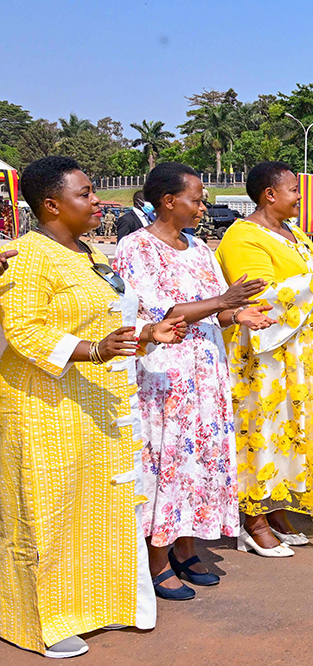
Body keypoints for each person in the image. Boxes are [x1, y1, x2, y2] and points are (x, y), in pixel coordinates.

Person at [0, 156, 186, 658]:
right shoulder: (27, 257)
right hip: (43, 408)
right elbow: (23, 331)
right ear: (51, 204)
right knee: (44, 515)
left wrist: (146, 335)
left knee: (95, 511)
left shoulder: (91, 258)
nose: (98, 201)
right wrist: (94, 351)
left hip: (96, 406)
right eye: (85, 193)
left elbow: (107, 329)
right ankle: (39, 621)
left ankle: (98, 605)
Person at [113, 163, 276, 601]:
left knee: (199, 460)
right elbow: (153, 313)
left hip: (206, 369)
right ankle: (157, 556)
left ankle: (187, 544)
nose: (203, 206)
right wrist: (222, 302)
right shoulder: (137, 248)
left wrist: (238, 313)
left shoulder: (201, 250)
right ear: (169, 202)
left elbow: (215, 310)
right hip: (165, 374)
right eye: (197, 199)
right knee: (167, 460)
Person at [215, 162, 313, 549]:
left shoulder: (293, 234)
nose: (303, 197)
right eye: (296, 190)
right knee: (263, 433)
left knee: (294, 432)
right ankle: (254, 517)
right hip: (267, 357)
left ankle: (277, 507)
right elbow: (257, 296)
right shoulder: (243, 237)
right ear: (270, 195)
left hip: (303, 353)